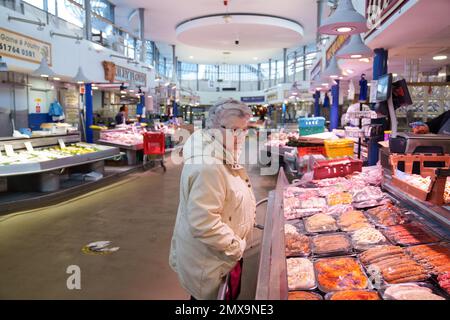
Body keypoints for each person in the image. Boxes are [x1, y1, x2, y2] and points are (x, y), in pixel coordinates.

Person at [169, 99, 256, 300]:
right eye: (233, 129)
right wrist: (236, 247)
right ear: (215, 128)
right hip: (210, 261)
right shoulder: (209, 166)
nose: (239, 137)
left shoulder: (220, 152)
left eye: (243, 130)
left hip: (218, 257)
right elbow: (203, 222)